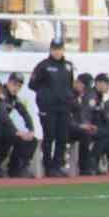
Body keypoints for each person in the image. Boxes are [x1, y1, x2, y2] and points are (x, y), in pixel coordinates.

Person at [30, 36, 74, 177]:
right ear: (50, 49)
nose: (57, 52)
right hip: (48, 108)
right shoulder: (43, 65)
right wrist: (45, 97)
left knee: (62, 137)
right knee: (49, 136)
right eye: (54, 49)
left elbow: (70, 86)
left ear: (63, 49)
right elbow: (33, 84)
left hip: (64, 108)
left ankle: (57, 165)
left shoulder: (68, 66)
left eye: (59, 49)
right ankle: (48, 166)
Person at [3, 72, 40, 178]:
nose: (16, 88)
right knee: (15, 137)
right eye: (14, 84)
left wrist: (31, 130)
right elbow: (3, 117)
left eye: (19, 86)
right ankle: (12, 168)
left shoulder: (14, 98)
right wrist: (17, 131)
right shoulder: (2, 94)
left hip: (7, 128)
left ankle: (21, 167)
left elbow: (25, 113)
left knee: (32, 140)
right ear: (9, 82)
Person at [69, 70, 103, 175]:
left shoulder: (83, 97)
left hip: (79, 127)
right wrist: (80, 126)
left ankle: (93, 164)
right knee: (85, 134)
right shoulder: (69, 96)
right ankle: (84, 167)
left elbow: (86, 115)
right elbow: (66, 117)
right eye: (84, 87)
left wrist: (90, 125)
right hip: (67, 128)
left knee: (100, 133)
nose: (85, 91)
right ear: (78, 83)